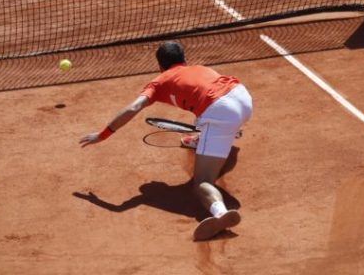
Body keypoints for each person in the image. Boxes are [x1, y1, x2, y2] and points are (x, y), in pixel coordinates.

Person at [79, 41, 253, 240]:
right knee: (208, 113)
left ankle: (220, 214)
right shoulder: (200, 68)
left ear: (160, 66)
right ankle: (228, 132)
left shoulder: (159, 82)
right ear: (184, 60)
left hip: (220, 114)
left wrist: (102, 134)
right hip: (243, 98)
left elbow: (133, 108)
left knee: (202, 182)